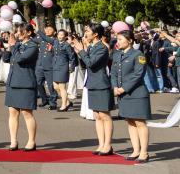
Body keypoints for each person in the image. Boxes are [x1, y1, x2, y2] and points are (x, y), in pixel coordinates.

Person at [72, 26, 113, 155]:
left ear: (95, 34)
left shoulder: (102, 47)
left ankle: (108, 145)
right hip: (92, 83)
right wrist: (80, 51)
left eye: (88, 31)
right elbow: (84, 65)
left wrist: (81, 51)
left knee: (104, 116)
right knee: (97, 115)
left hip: (101, 83)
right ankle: (101, 144)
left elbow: (91, 63)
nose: (85, 34)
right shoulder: (91, 47)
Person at [112, 30, 151, 162]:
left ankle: (144, 152)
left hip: (137, 94)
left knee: (140, 122)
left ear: (129, 40)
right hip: (123, 94)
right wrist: (115, 87)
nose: (118, 42)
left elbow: (138, 74)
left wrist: (124, 88)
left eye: (121, 39)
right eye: (117, 39)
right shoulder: (117, 55)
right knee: (130, 122)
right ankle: (136, 150)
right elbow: (113, 73)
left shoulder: (138, 54)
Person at [2, 26, 39, 151]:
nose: (17, 34)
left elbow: (20, 59)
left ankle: (31, 141)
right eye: (17, 31)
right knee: (12, 112)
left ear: (28, 32)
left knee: (26, 113)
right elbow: (6, 58)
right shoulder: (16, 45)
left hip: (25, 82)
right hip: (13, 82)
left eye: (20, 31)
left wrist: (13, 47)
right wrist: (9, 46)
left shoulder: (32, 46)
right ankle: (13, 140)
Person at [52, 29, 75, 111]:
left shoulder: (67, 45)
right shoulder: (55, 42)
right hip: (55, 67)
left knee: (62, 87)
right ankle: (68, 102)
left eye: (62, 35)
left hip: (63, 67)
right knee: (55, 86)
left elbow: (71, 57)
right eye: (59, 34)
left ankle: (64, 105)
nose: (60, 36)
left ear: (65, 36)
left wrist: (71, 67)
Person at [35, 27, 57, 110]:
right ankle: (44, 100)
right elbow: (33, 40)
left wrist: (38, 30)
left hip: (49, 66)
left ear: (54, 32)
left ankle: (53, 103)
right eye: (46, 29)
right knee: (38, 83)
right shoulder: (42, 39)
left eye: (50, 30)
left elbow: (46, 38)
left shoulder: (54, 40)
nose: (47, 31)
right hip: (40, 65)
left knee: (51, 86)